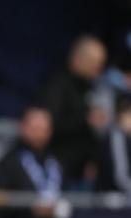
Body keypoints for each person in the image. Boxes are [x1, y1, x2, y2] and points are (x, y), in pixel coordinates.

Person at [41, 35, 108, 186]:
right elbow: (51, 126)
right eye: (95, 63)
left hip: (86, 170)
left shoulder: (91, 86)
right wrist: (85, 119)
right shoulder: (58, 85)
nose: (99, 69)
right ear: (78, 59)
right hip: (61, 169)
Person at [0, 106, 64, 218]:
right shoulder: (6, 162)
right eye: (34, 128)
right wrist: (28, 208)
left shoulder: (57, 162)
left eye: (43, 129)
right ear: (23, 128)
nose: (39, 134)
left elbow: (68, 196)